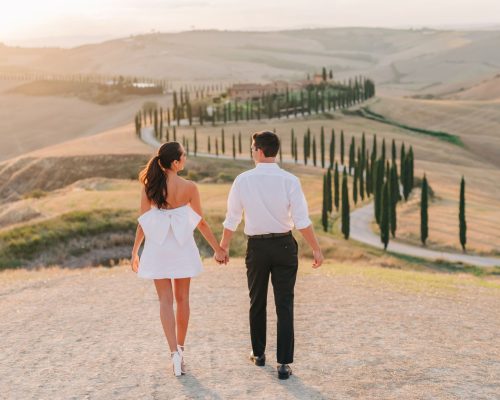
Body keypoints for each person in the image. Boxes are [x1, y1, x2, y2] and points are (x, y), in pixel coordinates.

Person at [220, 130, 324, 380]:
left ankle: (259, 354)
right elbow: (301, 221)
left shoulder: (243, 180)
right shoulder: (290, 180)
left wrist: (223, 247)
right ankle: (284, 364)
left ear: (259, 150)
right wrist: (316, 248)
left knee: (257, 301)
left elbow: (232, 218)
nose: (252, 151)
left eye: (252, 147)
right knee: (284, 304)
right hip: (285, 246)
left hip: (257, 248)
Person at [131, 142, 227, 377]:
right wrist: (218, 249)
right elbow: (201, 223)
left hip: (158, 248)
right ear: (175, 162)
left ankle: (173, 353)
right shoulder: (190, 187)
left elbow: (143, 223)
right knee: (182, 299)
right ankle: (181, 351)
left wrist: (135, 252)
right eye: (184, 156)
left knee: (165, 301)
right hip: (182, 247)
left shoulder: (149, 186)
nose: (185, 159)